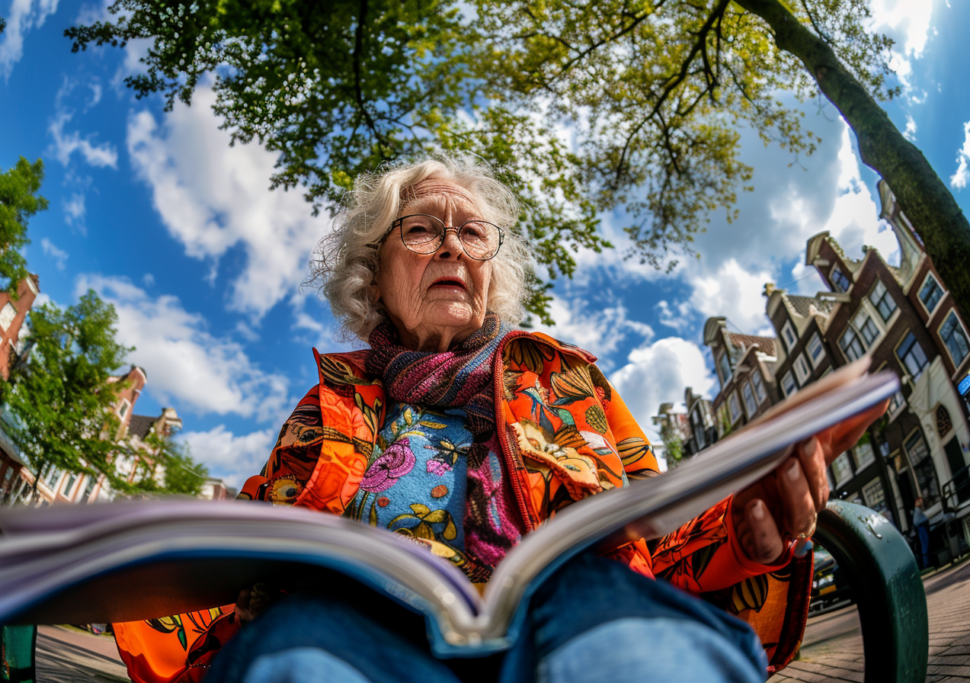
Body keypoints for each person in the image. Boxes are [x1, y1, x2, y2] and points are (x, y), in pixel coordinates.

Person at [111, 156, 887, 683]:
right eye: (420, 228)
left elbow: (661, 532)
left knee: (634, 635)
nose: (451, 242)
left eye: (472, 231)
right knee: (298, 652)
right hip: (364, 635)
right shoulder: (331, 403)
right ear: (375, 274)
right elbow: (253, 544)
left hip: (568, 612)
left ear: (490, 267)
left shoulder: (569, 379)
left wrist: (747, 528)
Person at [912, 497, 931, 569]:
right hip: (921, 528)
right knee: (925, 544)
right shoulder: (918, 511)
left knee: (925, 544)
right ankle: (926, 563)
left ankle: (926, 562)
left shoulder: (917, 511)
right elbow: (925, 518)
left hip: (921, 528)